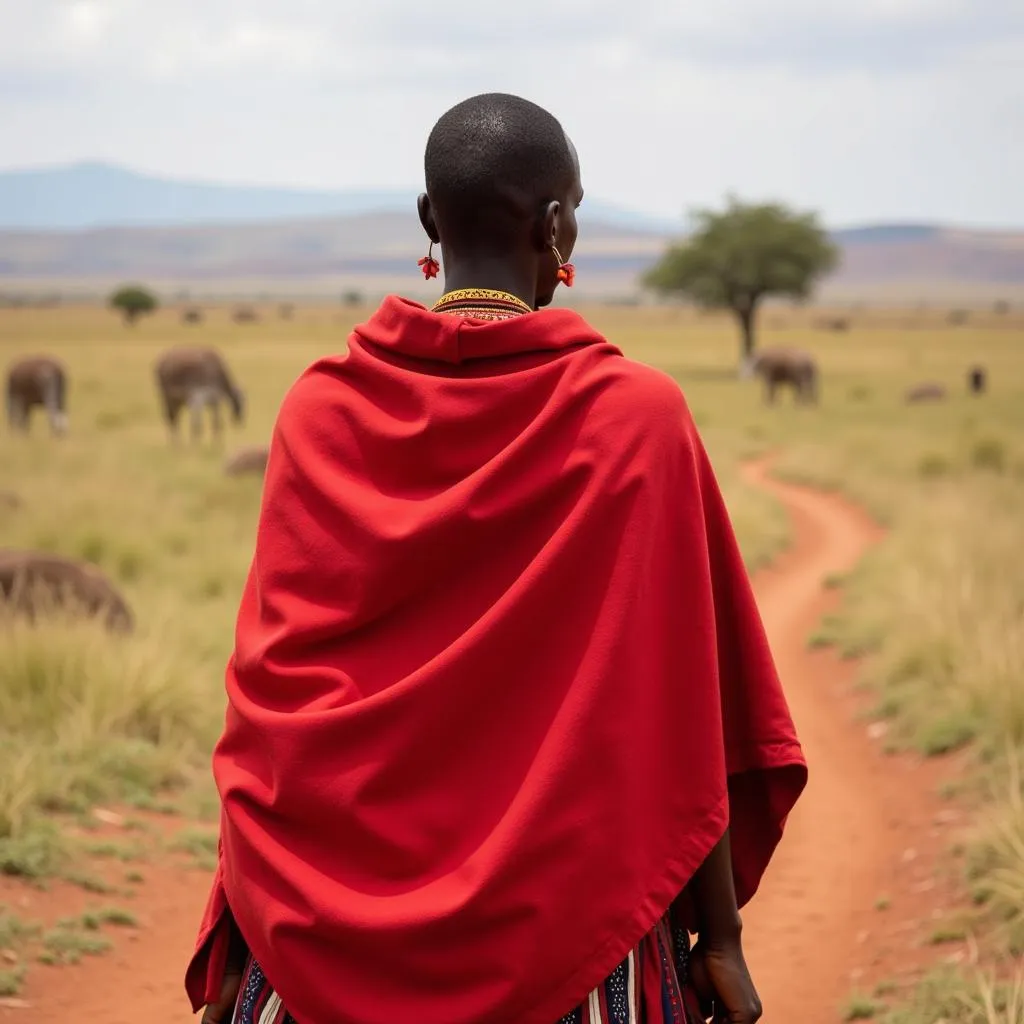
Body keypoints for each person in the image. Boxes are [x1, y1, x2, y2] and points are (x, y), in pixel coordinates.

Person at [186, 93, 807, 1024]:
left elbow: (277, 700)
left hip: (315, 943)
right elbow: (685, 698)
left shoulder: (319, 410)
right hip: (572, 937)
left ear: (431, 220)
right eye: (578, 210)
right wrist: (718, 940)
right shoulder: (637, 418)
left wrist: (239, 918)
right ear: (556, 224)